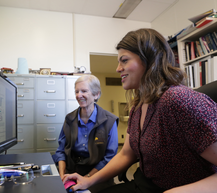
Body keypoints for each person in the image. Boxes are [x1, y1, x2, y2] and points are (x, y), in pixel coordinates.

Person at [62, 28, 217, 193]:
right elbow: (126, 154)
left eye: (124, 60)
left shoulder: (178, 100)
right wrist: (88, 181)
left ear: (149, 60)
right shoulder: (138, 104)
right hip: (143, 185)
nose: (118, 68)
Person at [52, 75, 119, 192]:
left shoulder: (109, 121)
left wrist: (87, 178)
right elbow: (61, 151)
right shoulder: (69, 119)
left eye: (84, 91)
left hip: (98, 175)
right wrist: (62, 177)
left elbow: (109, 158)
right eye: (77, 91)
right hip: (71, 173)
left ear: (96, 94)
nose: (79, 95)